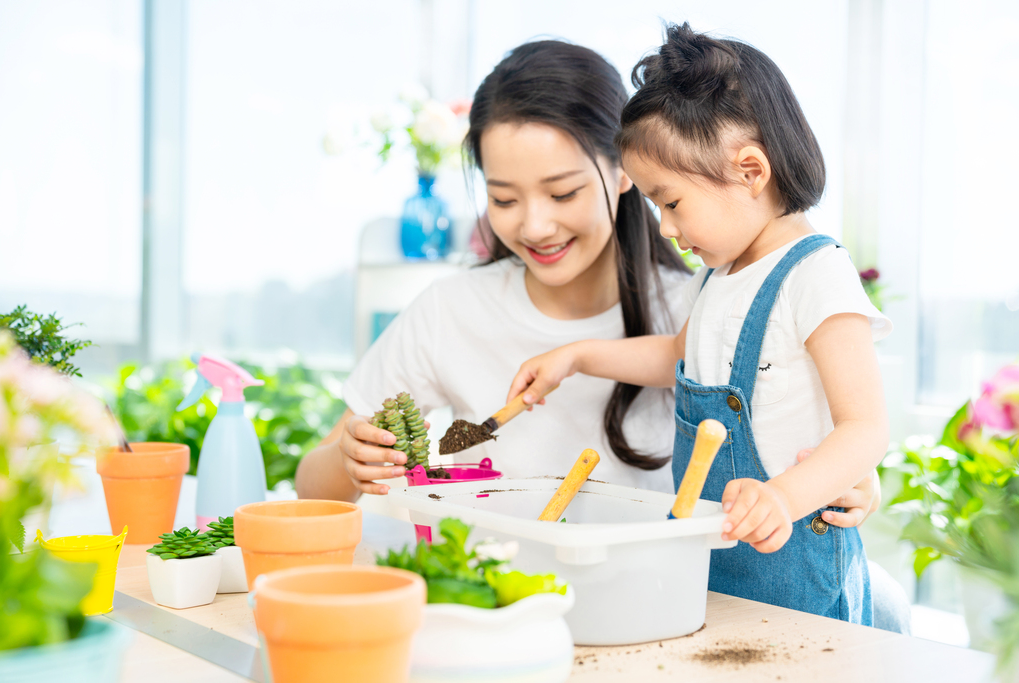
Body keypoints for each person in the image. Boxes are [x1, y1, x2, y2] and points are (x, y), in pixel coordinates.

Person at [294, 39, 883, 565]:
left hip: (673, 600)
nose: (535, 224)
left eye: (563, 191)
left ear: (624, 172)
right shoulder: (449, 310)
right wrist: (350, 461)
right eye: (503, 199)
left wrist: (839, 479)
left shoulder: (711, 294)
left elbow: (840, 428)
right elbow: (312, 487)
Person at [506, 24, 892, 627]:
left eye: (672, 202)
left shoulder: (816, 274)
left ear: (750, 171)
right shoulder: (719, 275)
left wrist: (782, 498)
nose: (663, 226)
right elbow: (675, 359)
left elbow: (866, 428)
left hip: (793, 558)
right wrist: (578, 356)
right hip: (715, 553)